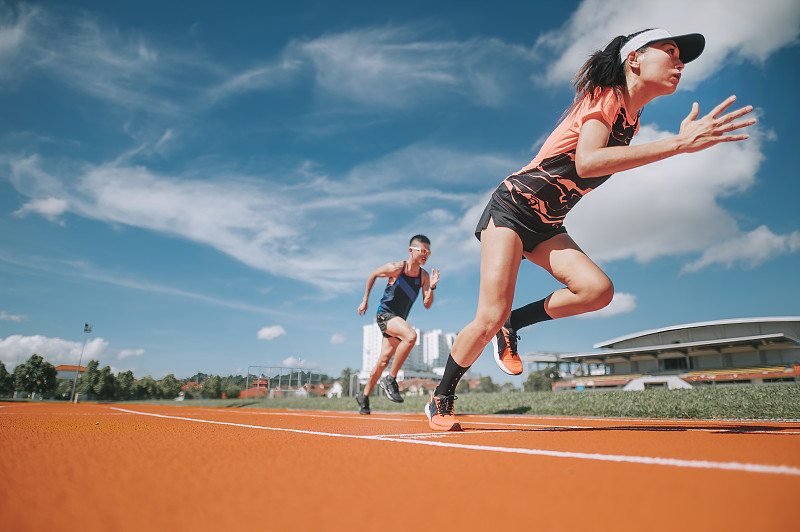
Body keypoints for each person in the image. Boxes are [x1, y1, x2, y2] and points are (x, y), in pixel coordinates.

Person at [425, 28, 756, 431]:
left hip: (546, 222)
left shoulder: (631, 118)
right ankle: (441, 397)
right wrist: (679, 144)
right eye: (669, 52)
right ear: (634, 59)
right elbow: (588, 162)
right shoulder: (607, 96)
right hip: (512, 207)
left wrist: (676, 146)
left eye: (680, 56)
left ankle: (513, 324)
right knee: (488, 314)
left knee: (597, 291)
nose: (679, 62)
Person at [356, 235, 439, 414]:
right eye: (423, 251)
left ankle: (364, 395)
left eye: (429, 252)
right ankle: (391, 379)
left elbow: (427, 304)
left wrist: (431, 288)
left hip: (398, 320)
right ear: (412, 250)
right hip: (385, 314)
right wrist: (365, 300)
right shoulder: (396, 268)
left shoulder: (423, 276)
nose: (426, 255)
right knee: (410, 336)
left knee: (383, 360)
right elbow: (373, 274)